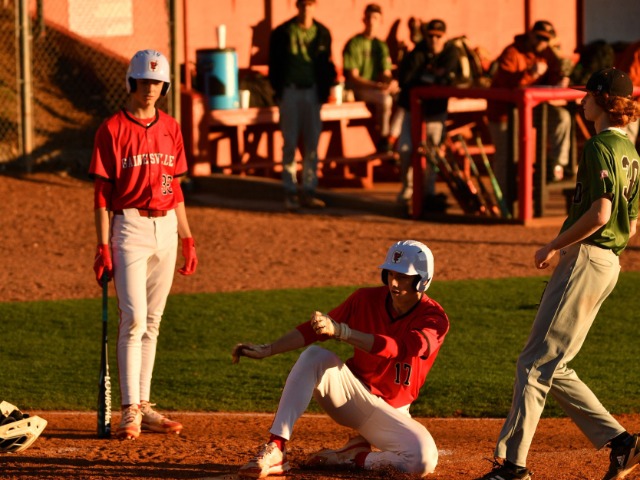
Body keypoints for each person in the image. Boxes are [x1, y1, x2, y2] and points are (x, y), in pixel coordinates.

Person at [477, 68, 640, 480]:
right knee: (555, 364)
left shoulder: (599, 145)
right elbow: (631, 223)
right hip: (609, 265)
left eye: (587, 95)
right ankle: (621, 442)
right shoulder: (632, 152)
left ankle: (513, 467)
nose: (581, 100)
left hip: (586, 259)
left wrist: (553, 244)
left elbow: (600, 213)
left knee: (533, 364)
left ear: (602, 99)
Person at [233, 240, 449, 478]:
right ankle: (276, 448)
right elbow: (314, 330)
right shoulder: (364, 299)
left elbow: (399, 348)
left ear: (422, 279)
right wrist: (269, 349)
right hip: (353, 397)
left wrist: (343, 332)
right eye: (390, 274)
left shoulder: (434, 319)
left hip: (392, 413)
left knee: (422, 460)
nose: (394, 283)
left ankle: (353, 457)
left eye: (403, 277)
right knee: (315, 356)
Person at [89, 49, 198, 441]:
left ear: (164, 86)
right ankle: (129, 410)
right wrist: (102, 245)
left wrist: (187, 236)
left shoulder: (171, 128)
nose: (150, 88)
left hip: (166, 228)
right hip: (129, 228)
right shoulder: (112, 130)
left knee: (153, 320)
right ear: (131, 83)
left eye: (157, 82)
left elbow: (174, 186)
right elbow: (102, 193)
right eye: (144, 81)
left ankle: (144, 405)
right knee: (133, 319)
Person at [488, 20, 572, 195]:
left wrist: (561, 79)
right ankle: (504, 201)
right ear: (531, 35)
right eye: (539, 37)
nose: (542, 42)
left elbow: (553, 79)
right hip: (504, 112)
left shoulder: (547, 53)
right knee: (506, 157)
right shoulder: (512, 52)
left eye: (546, 39)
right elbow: (505, 85)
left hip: (530, 109)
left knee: (562, 117)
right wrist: (530, 73)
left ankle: (557, 165)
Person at [268, 0, 337, 211]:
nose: (306, 8)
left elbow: (326, 64)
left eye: (310, 4)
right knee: (289, 141)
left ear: (315, 6)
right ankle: (290, 190)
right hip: (290, 90)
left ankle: (309, 190)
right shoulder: (283, 32)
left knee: (312, 143)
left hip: (312, 91)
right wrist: (278, 91)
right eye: (303, 4)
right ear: (297, 6)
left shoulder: (322, 33)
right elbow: (274, 64)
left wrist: (325, 90)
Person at [395, 19, 462, 209]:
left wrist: (426, 77)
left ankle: (428, 192)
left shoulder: (451, 52)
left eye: (438, 36)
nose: (434, 40)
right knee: (406, 149)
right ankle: (408, 189)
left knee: (433, 153)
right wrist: (432, 77)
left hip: (436, 111)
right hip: (412, 110)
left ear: (444, 37)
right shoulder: (417, 52)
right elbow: (406, 80)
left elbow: (449, 79)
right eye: (431, 36)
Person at [342, 3, 399, 152]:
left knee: (404, 97)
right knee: (385, 100)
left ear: (381, 21)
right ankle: (384, 139)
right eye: (369, 18)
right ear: (364, 20)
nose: (372, 22)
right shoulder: (355, 43)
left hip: (377, 89)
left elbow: (386, 73)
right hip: (358, 89)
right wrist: (377, 86)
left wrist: (391, 83)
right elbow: (353, 77)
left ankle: (393, 138)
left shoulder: (381, 46)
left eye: (375, 18)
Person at [615, 40, 640, 144]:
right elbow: (629, 83)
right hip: (630, 105)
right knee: (626, 142)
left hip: (631, 104)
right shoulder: (637, 50)